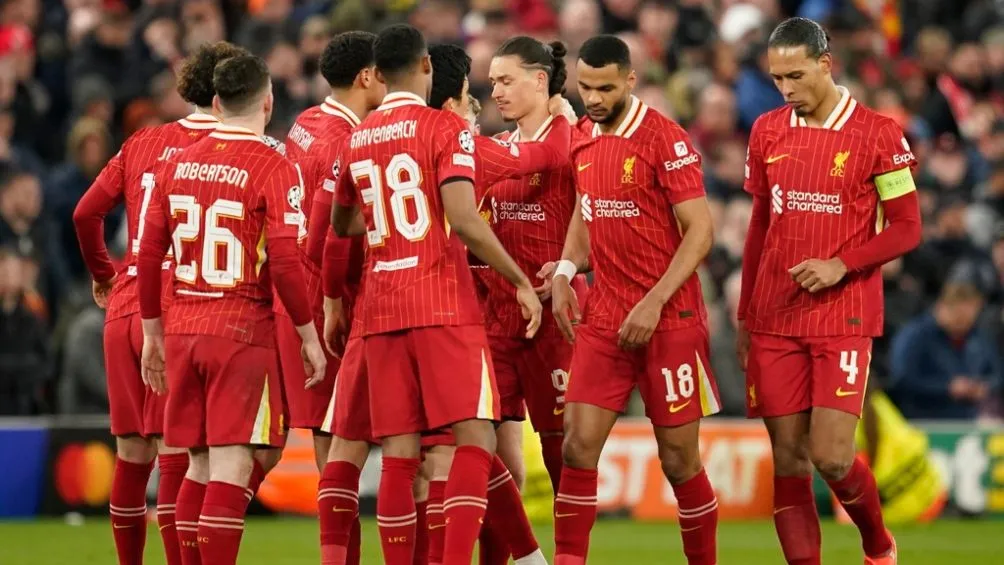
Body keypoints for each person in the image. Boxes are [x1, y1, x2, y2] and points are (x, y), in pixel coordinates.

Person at [330, 24, 542, 565]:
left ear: (378, 75)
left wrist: (387, 216)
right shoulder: (446, 128)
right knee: (476, 440)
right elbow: (464, 219)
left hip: (381, 307)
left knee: (399, 455)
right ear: (426, 65)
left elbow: (343, 222)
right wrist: (520, 280)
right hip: (441, 301)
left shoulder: (358, 135)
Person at [737, 17, 922, 565]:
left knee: (832, 457)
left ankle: (879, 546)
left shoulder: (879, 134)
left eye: (795, 75)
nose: (786, 89)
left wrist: (843, 264)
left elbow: (907, 228)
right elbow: (759, 225)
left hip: (843, 315)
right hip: (774, 317)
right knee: (789, 460)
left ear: (825, 63)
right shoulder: (767, 130)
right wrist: (746, 313)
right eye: (776, 78)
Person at [136, 53, 327, 565]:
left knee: (197, 466)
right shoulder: (275, 165)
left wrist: (152, 332)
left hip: (182, 327)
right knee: (232, 467)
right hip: (240, 329)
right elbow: (284, 261)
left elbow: (149, 253)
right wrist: (309, 335)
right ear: (268, 101)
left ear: (216, 103)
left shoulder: (175, 163)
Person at [549, 34, 721, 565]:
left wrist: (654, 301)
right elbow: (586, 210)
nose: (593, 98)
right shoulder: (582, 136)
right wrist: (564, 270)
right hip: (604, 315)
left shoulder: (664, 139)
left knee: (678, 460)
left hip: (671, 318)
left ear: (630, 79)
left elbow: (701, 231)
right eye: (585, 87)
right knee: (577, 445)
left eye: (605, 88)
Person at [71, 41, 245, 565]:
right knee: (178, 454)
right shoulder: (233, 151)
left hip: (125, 303)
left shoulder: (142, 141)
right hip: (180, 309)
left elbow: (85, 214)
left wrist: (105, 274)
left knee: (131, 455)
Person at [274, 31, 386, 478]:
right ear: (366, 77)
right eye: (382, 72)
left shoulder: (306, 120)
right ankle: (339, 525)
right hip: (326, 292)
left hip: (295, 287)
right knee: (338, 433)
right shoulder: (347, 139)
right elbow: (327, 236)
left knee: (331, 431)